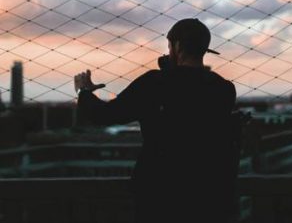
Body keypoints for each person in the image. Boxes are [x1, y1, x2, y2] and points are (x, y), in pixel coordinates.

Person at [74, 18, 237, 223]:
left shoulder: (155, 83)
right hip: (208, 192)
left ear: (177, 46)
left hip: (159, 191)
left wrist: (84, 91)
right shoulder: (223, 89)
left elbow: (104, 115)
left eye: (169, 46)